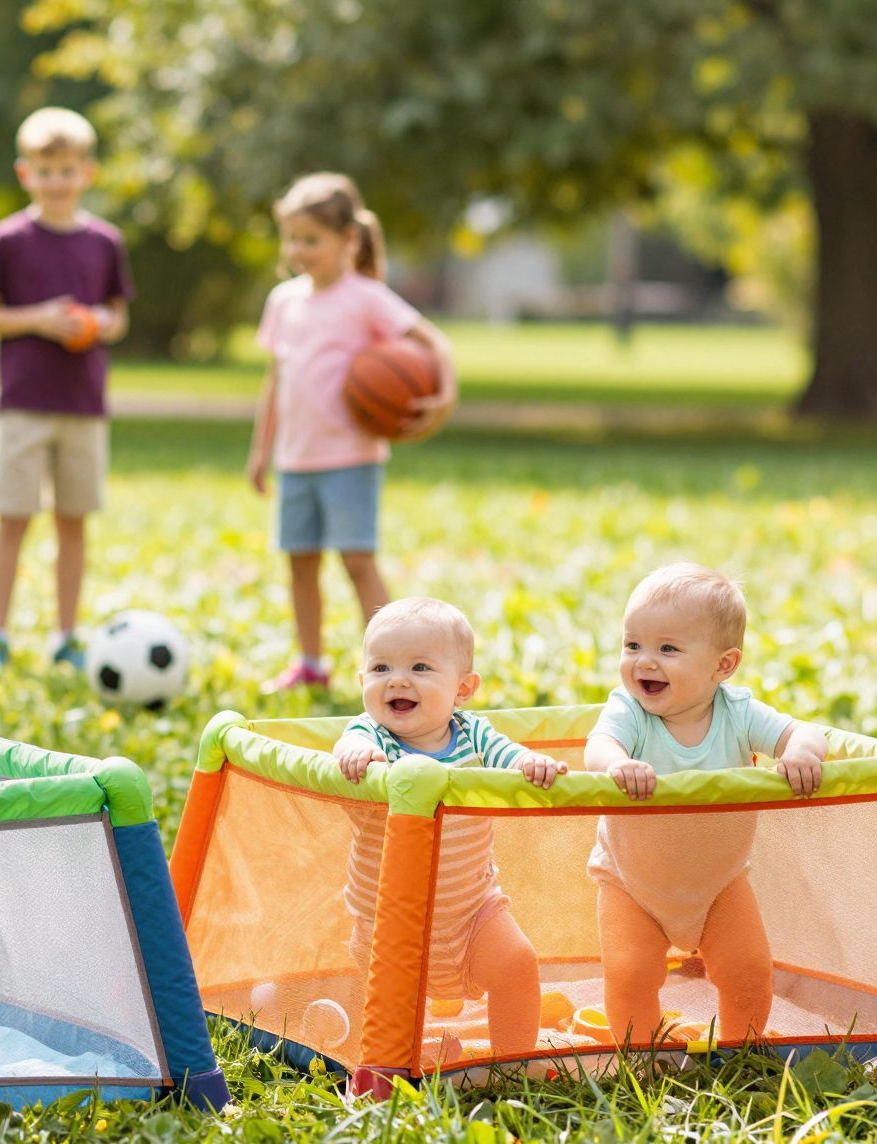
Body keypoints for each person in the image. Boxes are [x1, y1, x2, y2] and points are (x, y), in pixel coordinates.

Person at [584, 563, 829, 1047]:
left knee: (749, 970)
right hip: (632, 883)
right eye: (632, 645)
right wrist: (616, 765)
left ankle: (743, 1050)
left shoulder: (738, 713)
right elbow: (599, 744)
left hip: (720, 883)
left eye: (667, 649)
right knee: (630, 972)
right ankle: (644, 1056)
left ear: (723, 665)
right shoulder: (629, 710)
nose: (643, 662)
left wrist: (801, 752)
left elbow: (805, 731)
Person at [330, 597, 568, 1058]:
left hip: (472, 911)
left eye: (420, 667)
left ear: (463, 688)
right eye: (380, 668)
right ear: (362, 682)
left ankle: (513, 1062)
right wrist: (355, 756)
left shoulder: (473, 732)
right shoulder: (371, 736)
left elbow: (510, 755)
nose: (397, 679)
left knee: (517, 964)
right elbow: (349, 743)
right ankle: (401, 1059)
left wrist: (530, 763)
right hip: (388, 918)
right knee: (391, 1008)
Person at [245, 173, 455, 693]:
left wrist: (445, 393)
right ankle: (311, 665)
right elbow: (276, 380)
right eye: (291, 238)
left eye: (311, 239)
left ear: (349, 240)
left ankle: (392, 669)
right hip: (296, 460)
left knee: (358, 562)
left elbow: (434, 340)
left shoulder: (366, 297)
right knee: (300, 564)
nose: (298, 250)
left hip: (350, 458)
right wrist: (260, 451)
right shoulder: (284, 301)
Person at [0, 107, 135, 678]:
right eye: (45, 170)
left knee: (73, 520)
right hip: (22, 403)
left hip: (84, 405)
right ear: (25, 173)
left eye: (67, 170)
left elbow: (118, 315)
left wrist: (99, 326)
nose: (56, 180)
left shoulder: (105, 241)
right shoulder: (8, 238)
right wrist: (39, 318)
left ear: (86, 172)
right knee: (12, 518)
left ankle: (66, 634)